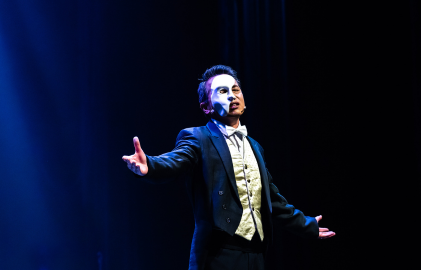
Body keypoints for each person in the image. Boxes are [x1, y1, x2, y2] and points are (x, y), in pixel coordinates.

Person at [122, 65, 335, 270]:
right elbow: (176, 160)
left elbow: (271, 199)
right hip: (219, 252)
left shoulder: (255, 147)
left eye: (236, 90)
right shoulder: (198, 138)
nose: (232, 96)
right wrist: (149, 164)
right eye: (222, 91)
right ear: (206, 106)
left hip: (256, 251)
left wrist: (305, 225)